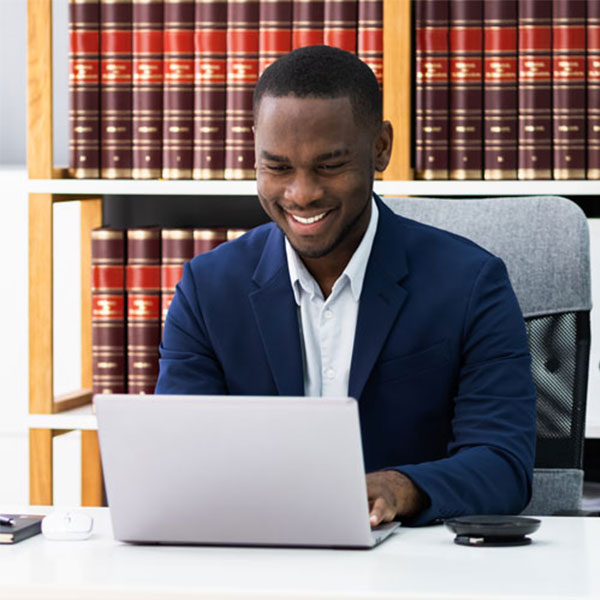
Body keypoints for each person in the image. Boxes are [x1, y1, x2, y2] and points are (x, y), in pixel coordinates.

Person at [156, 45, 536, 526]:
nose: (301, 194)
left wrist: (402, 488)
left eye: (329, 166)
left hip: (414, 568)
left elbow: (504, 466)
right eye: (277, 167)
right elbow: (177, 461)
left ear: (380, 148)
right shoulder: (207, 289)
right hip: (256, 556)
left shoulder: (471, 284)